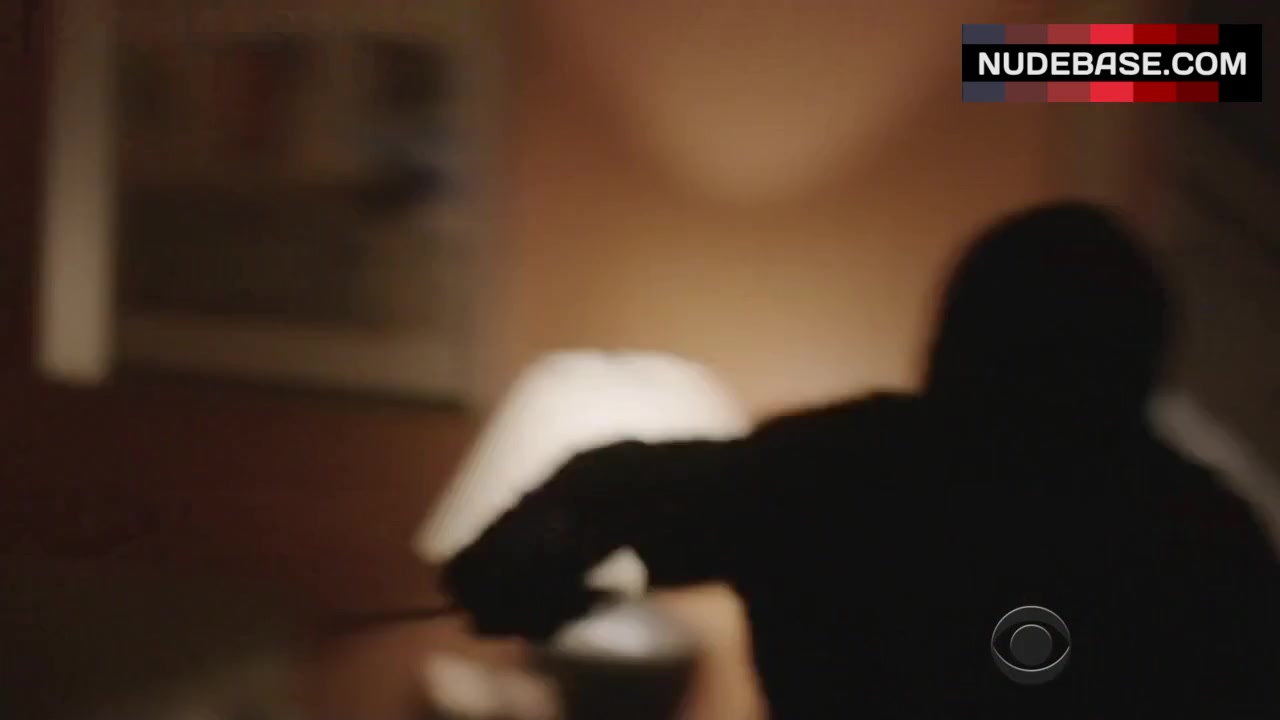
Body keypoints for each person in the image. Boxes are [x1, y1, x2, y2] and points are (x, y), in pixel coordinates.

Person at [443, 202, 1280, 718]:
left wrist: (522, 576)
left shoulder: (831, 469)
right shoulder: (1204, 535)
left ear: (953, 336)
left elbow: (604, 486)